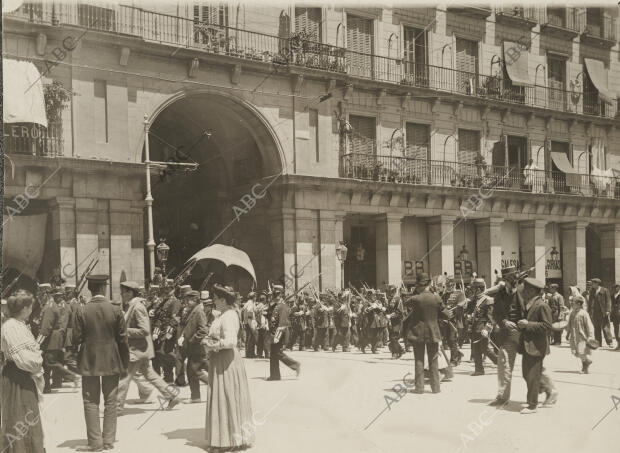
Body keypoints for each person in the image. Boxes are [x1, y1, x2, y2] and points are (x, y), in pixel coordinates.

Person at [73, 275, 129, 451]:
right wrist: (124, 363)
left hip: (89, 359)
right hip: (112, 359)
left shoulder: (81, 311)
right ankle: (108, 440)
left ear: (90, 289)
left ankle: (95, 442)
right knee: (111, 401)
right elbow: (123, 340)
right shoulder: (116, 310)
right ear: (104, 288)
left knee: (90, 401)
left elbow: (76, 339)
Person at [116, 281, 181, 413]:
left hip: (137, 351)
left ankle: (116, 408)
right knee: (151, 375)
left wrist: (124, 331)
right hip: (141, 350)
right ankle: (172, 396)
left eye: (123, 292)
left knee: (124, 378)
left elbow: (144, 330)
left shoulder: (137, 307)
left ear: (129, 293)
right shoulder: (133, 305)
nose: (121, 295)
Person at [203, 284, 253, 450]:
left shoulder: (229, 316)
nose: (213, 301)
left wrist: (212, 345)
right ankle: (226, 438)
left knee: (227, 396)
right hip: (220, 360)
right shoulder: (222, 315)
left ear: (223, 300)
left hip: (227, 360)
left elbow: (231, 341)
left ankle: (228, 441)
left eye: (216, 299)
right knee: (223, 397)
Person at [1, 291, 45, 453]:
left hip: (22, 375)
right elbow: (25, 359)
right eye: (30, 306)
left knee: (27, 415)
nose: (31, 309)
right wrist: (38, 361)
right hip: (17, 377)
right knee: (19, 416)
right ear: (25, 308)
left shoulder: (18, 324)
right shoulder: (11, 326)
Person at [402, 273, 447, 394]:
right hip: (433, 332)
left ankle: (419, 387)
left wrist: (415, 293)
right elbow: (445, 312)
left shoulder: (416, 298)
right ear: (429, 284)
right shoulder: (436, 298)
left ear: (418, 285)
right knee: (434, 360)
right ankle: (436, 388)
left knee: (419, 360)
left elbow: (405, 303)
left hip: (418, 332)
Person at [517, 277, 552, 414]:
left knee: (532, 375)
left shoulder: (542, 305)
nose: (524, 292)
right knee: (527, 374)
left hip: (537, 347)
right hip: (528, 345)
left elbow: (547, 326)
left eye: (526, 289)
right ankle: (545, 389)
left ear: (532, 291)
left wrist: (528, 324)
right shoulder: (529, 304)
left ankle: (532, 405)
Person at [37, 289, 79, 392]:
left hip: (51, 340)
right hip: (53, 339)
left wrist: (38, 342)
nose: (39, 297)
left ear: (46, 294)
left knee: (50, 362)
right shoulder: (51, 305)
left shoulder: (49, 307)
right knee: (46, 364)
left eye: (40, 294)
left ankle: (72, 376)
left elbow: (46, 328)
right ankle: (46, 387)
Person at [178, 290, 210, 403]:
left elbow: (203, 330)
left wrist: (192, 340)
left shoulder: (198, 312)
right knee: (196, 370)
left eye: (188, 300)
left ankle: (197, 396)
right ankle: (196, 396)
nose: (186, 302)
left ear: (195, 300)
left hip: (196, 347)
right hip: (193, 348)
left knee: (193, 371)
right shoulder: (193, 310)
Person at [267, 285, 301, 380]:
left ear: (281, 294)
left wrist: (276, 337)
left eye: (277, 294)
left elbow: (282, 323)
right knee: (274, 353)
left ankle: (295, 365)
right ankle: (275, 375)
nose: (275, 296)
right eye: (275, 294)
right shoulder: (275, 306)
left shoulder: (283, 307)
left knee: (277, 353)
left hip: (280, 333)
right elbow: (270, 317)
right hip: (274, 332)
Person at [466, 278, 494, 376]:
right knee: (476, 348)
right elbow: (469, 312)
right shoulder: (474, 300)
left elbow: (491, 317)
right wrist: (469, 316)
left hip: (482, 327)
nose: (472, 291)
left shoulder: (487, 300)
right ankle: (479, 370)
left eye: (473, 289)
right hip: (474, 327)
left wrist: (487, 329)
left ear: (478, 289)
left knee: (485, 349)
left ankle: (500, 363)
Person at [566, 292, 595, 374]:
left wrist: (590, 336)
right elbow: (569, 324)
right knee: (578, 352)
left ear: (579, 304)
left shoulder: (584, 313)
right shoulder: (572, 313)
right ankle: (586, 364)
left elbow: (589, 326)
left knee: (582, 352)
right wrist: (568, 333)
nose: (572, 304)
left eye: (573, 303)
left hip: (582, 337)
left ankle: (586, 365)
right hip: (574, 336)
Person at [588, 278, 612, 348]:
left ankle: (609, 342)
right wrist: (589, 310)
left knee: (605, 327)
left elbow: (608, 301)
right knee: (596, 328)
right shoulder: (592, 291)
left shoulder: (604, 290)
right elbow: (590, 301)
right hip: (595, 312)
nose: (592, 285)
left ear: (597, 283)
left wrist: (608, 310)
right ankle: (598, 343)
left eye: (593, 283)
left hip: (603, 311)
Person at [612, 283, 620, 350]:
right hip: (615, 314)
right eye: (613, 288)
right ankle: (618, 344)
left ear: (618, 288)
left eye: (616, 287)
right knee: (616, 329)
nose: (614, 289)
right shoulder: (612, 295)